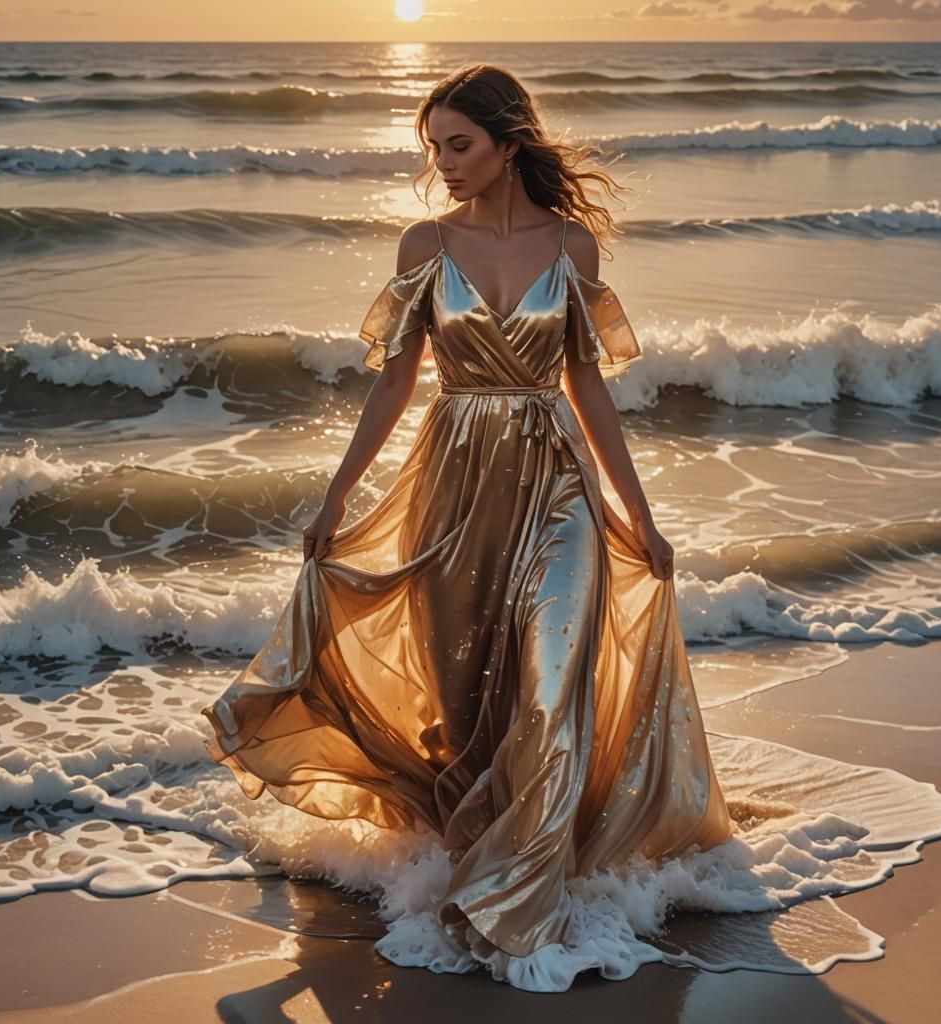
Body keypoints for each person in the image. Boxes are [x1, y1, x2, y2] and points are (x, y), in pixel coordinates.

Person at [201, 63, 733, 991]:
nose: (442, 164)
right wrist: (336, 498)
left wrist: (639, 515)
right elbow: (396, 383)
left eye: (459, 145)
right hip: (450, 485)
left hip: (554, 481)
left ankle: (520, 896)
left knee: (550, 680)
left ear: (508, 143)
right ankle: (474, 845)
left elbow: (588, 386)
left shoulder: (572, 247)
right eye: (433, 147)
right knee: (461, 696)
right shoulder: (423, 246)